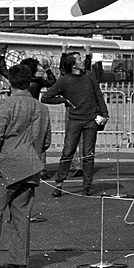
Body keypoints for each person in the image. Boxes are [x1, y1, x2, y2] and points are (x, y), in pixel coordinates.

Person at [0, 65, 52, 268]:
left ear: (9, 83)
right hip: (31, 167)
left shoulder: (6, 105)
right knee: (20, 215)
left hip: (6, 167)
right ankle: (19, 261)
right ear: (29, 82)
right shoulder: (41, 108)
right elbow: (47, 141)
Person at [41, 51, 109, 196]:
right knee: (68, 152)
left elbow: (98, 94)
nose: (82, 60)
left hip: (91, 119)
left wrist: (105, 114)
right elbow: (46, 97)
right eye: (79, 59)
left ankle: (87, 186)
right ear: (72, 64)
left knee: (88, 155)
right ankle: (59, 183)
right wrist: (64, 100)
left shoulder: (89, 75)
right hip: (75, 120)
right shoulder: (65, 80)